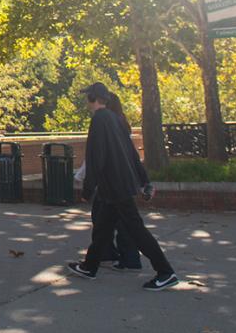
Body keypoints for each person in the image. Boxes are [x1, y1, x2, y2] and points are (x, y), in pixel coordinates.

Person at [66, 82, 179, 291]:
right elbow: (132, 153)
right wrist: (144, 180)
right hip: (119, 184)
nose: (86, 101)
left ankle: (165, 271)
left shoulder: (99, 120)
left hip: (114, 185)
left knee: (136, 230)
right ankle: (89, 267)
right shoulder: (116, 119)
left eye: (87, 97)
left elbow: (95, 157)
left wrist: (88, 189)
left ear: (92, 98)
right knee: (102, 228)